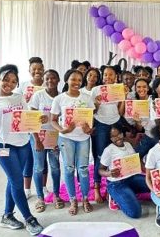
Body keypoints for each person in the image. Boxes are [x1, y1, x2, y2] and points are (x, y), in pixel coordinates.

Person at [0, 64, 44, 235]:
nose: (9, 84)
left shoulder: (19, 98)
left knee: (13, 180)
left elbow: (28, 119)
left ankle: (7, 216)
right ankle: (29, 218)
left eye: (14, 81)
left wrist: (37, 127)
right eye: (6, 80)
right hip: (4, 147)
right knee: (17, 181)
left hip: (23, 145)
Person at [51, 69, 95, 216]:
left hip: (83, 139)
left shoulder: (87, 98)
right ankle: (73, 200)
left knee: (83, 170)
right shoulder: (59, 99)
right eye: (73, 79)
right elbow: (53, 120)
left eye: (79, 80)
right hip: (66, 138)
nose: (76, 82)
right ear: (66, 80)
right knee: (69, 169)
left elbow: (91, 125)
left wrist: (88, 129)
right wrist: (62, 130)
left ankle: (85, 198)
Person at [29, 69, 64, 213]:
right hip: (39, 136)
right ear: (44, 80)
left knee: (55, 166)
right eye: (47, 78)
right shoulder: (38, 96)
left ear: (58, 80)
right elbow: (30, 119)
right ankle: (40, 198)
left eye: (53, 78)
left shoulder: (62, 97)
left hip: (55, 135)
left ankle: (56, 195)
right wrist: (36, 139)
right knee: (38, 167)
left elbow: (65, 118)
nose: (50, 81)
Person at [98, 123, 150, 218]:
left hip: (131, 178)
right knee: (135, 213)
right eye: (113, 136)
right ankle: (114, 197)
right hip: (117, 183)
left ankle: (128, 193)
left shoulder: (128, 144)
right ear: (110, 138)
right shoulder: (108, 150)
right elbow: (100, 170)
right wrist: (109, 173)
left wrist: (149, 172)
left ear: (123, 133)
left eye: (119, 134)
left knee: (154, 184)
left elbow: (136, 161)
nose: (117, 138)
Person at [91, 65, 126, 203]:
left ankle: (115, 186)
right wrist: (97, 103)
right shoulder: (95, 90)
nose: (108, 77)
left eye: (111, 75)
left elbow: (121, 112)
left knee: (117, 155)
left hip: (116, 122)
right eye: (105, 74)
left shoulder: (118, 89)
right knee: (100, 155)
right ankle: (97, 188)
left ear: (116, 76)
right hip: (100, 124)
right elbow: (92, 112)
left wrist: (123, 97)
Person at [15, 57, 45, 199]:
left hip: (44, 126)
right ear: (29, 71)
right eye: (34, 69)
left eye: (39, 69)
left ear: (43, 70)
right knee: (28, 158)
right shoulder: (23, 85)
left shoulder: (48, 84)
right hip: (28, 126)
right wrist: (25, 101)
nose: (37, 71)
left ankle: (43, 187)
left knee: (42, 159)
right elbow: (16, 104)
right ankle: (27, 189)